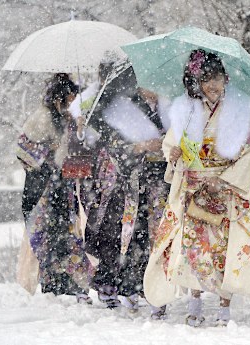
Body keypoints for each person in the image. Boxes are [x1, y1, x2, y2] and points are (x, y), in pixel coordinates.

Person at [144, 49, 250, 327]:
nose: (213, 85)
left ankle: (224, 309)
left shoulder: (235, 110)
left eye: (217, 78)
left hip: (224, 186)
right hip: (194, 185)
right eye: (206, 79)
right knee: (195, 247)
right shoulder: (187, 108)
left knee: (223, 248)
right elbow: (172, 143)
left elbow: (246, 151)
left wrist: (222, 178)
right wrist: (173, 154)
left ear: (225, 80)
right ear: (197, 81)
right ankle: (194, 304)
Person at [84, 60, 172, 311]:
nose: (154, 88)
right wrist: (142, 146)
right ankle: (124, 285)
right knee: (127, 235)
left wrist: (168, 146)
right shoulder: (125, 107)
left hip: (162, 178)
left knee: (156, 234)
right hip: (130, 182)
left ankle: (151, 286)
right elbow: (114, 147)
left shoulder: (169, 108)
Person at [17, 73, 93, 303]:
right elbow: (22, 149)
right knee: (48, 237)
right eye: (69, 98)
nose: (72, 102)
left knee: (66, 235)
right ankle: (54, 284)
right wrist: (49, 150)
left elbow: (77, 149)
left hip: (63, 185)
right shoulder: (42, 117)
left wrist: (79, 129)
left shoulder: (69, 118)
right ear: (59, 97)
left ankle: (70, 283)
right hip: (42, 187)